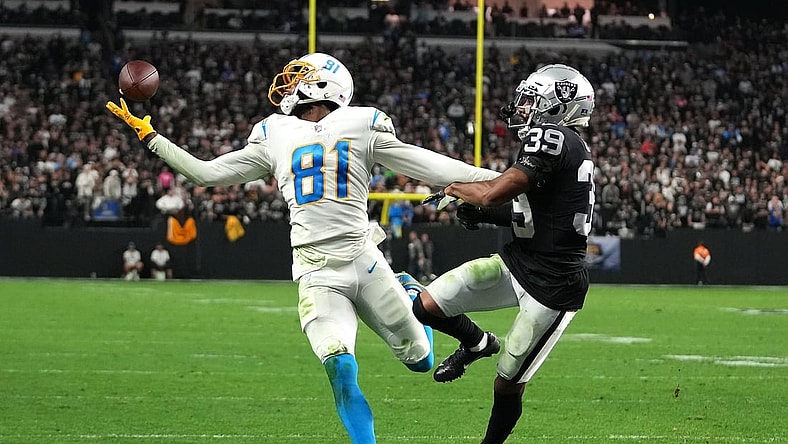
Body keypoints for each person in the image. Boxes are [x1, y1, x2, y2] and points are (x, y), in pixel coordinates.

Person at [106, 52, 500, 444]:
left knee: (420, 361)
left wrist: (503, 181)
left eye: (299, 75)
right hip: (316, 273)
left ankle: (410, 291)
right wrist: (152, 138)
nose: (288, 83)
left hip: (365, 261)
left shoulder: (361, 123)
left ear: (326, 84)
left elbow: (434, 166)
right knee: (339, 366)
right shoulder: (275, 132)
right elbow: (206, 173)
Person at [415, 64, 596, 443]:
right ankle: (477, 342)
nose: (523, 107)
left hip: (553, 284)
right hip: (517, 261)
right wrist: (482, 214)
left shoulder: (554, 137)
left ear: (561, 106)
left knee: (507, 384)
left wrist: (454, 189)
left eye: (533, 99)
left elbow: (492, 192)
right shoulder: (563, 144)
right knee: (426, 305)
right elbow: (532, 214)